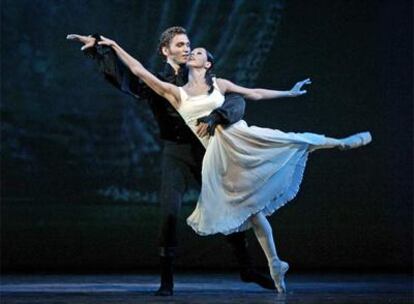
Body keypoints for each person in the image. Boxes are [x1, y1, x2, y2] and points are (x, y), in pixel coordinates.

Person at [89, 35, 372, 293]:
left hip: (241, 137)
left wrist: (289, 93)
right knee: (249, 209)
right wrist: (112, 47)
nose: (189, 51)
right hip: (217, 153)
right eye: (185, 48)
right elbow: (138, 71)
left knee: (288, 141)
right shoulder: (175, 93)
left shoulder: (220, 84)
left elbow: (254, 93)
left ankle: (341, 142)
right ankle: (275, 263)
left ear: (207, 62)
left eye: (195, 50)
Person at [67, 26, 277, 296]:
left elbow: (237, 98)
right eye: (179, 45)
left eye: (188, 44)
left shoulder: (203, 78)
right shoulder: (156, 81)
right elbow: (128, 75)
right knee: (169, 211)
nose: (186, 48)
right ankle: (166, 282)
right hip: (175, 153)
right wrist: (100, 49)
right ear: (166, 50)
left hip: (206, 153)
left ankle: (247, 269)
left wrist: (218, 116)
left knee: (229, 209)